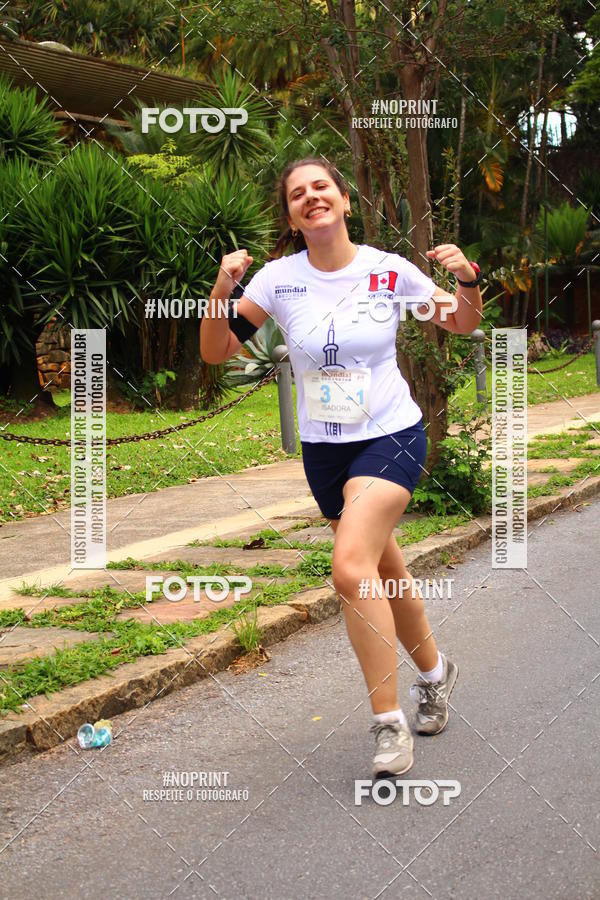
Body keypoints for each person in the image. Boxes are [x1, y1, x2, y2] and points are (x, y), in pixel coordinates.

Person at [200, 157, 483, 778]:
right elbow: (216, 350)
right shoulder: (277, 280)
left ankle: (388, 724)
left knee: (351, 567)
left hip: (392, 436)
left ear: (345, 200)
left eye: (321, 187)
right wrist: (223, 289)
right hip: (324, 451)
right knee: (384, 566)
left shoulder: (387, 271)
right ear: (293, 215)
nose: (311, 198)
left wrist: (466, 278)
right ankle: (437, 674)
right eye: (298, 194)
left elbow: (462, 322)